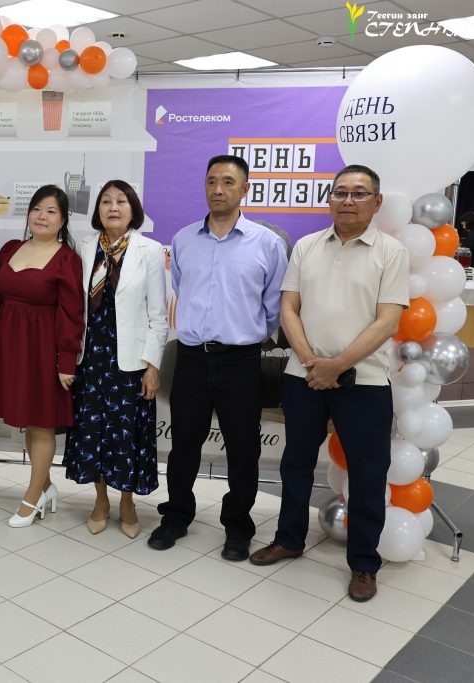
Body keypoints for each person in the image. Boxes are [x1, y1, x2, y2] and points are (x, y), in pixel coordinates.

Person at [249, 164, 409, 603]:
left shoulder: (391, 252)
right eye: (340, 192)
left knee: (368, 472)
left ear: (377, 202)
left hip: (364, 381)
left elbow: (388, 320)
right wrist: (310, 362)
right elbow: (289, 309)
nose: (348, 201)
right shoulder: (306, 246)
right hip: (303, 377)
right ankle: (288, 539)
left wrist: (336, 365)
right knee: (296, 463)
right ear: (329, 199)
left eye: (359, 193)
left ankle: (364, 564)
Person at [148, 155, 288, 561]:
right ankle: (176, 515)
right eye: (211, 181)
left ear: (245, 189)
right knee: (183, 445)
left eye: (228, 182)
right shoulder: (183, 240)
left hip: (241, 361)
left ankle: (238, 526)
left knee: (243, 449)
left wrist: (243, 333)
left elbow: (274, 307)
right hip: (192, 358)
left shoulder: (266, 243)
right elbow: (181, 288)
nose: (218, 189)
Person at [64, 180, 167, 538]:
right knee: (92, 432)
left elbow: (158, 317)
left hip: (131, 363)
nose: (113, 207)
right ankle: (100, 500)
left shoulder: (149, 250)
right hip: (91, 358)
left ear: (132, 208)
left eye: (121, 201)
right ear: (98, 210)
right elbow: (74, 308)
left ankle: (127, 501)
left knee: (126, 437)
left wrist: (152, 367)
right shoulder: (84, 247)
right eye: (106, 201)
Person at [0, 185, 84, 527]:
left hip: (44, 348)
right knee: (27, 420)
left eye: (51, 211)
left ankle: (32, 499)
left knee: (42, 423)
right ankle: (45, 486)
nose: (42, 216)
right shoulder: (11, 249)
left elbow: (72, 314)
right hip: (12, 344)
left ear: (63, 220)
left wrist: (66, 361)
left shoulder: (66, 259)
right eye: (37, 208)